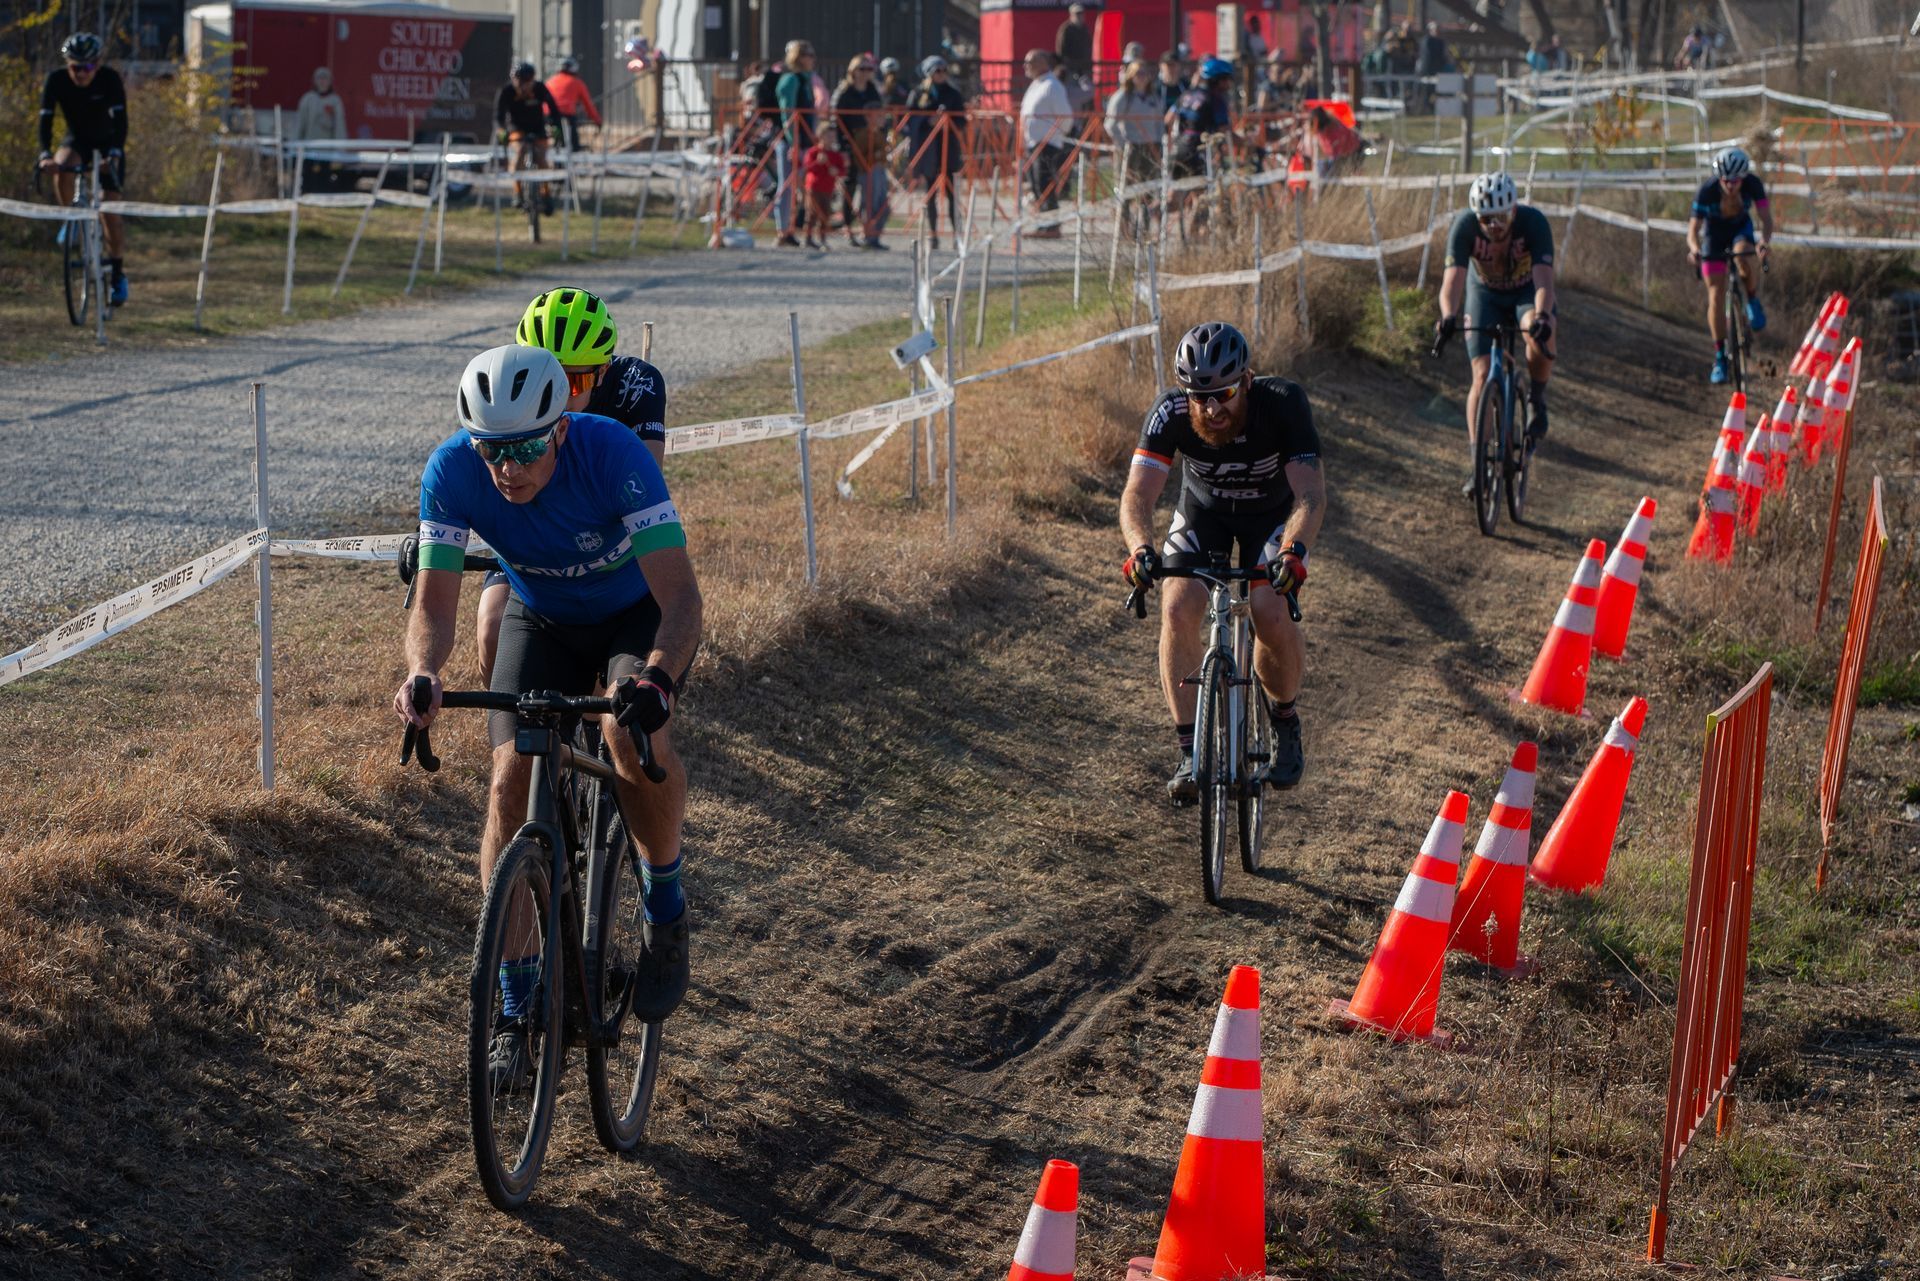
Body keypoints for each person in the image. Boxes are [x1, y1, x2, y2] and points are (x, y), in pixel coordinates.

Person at [396, 344, 702, 1088]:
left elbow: (683, 598)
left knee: (629, 733)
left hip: (635, 615)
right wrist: (423, 673)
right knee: (508, 780)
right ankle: (512, 1007)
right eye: (492, 450)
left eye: (527, 447)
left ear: (561, 428)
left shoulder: (615, 454)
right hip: (546, 618)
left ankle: (665, 906)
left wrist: (657, 680)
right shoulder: (451, 470)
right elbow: (434, 603)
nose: (508, 468)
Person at [1119, 322, 1326, 801]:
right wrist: (1139, 548)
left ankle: (1284, 719)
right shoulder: (1170, 411)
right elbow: (1136, 496)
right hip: (1204, 514)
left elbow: (1310, 496)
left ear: (1247, 381)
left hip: (1271, 518)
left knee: (1270, 610)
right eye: (1199, 396)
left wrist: (1294, 553)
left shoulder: (1282, 402)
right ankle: (1191, 752)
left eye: (1224, 394)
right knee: (1176, 609)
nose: (1211, 408)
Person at [467, 287, 671, 692]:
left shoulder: (637, 384)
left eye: (573, 381)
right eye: (546, 375)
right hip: (529, 533)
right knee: (490, 627)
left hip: (601, 538)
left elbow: (648, 479)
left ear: (603, 371)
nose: (557, 393)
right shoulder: (506, 384)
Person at [1434, 172, 1558, 492]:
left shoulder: (1534, 224)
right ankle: (1478, 464)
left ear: (1513, 211)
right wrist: (1448, 315)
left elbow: (1544, 282)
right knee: (1480, 375)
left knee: (1539, 332)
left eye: (1500, 218)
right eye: (1486, 219)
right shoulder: (1464, 227)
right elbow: (1452, 282)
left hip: (1526, 293)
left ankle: (1536, 397)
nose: (1494, 227)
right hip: (1485, 295)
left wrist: (1542, 317)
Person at [38, 32, 129, 305]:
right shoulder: (55, 80)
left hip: (108, 143)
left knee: (109, 211)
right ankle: (71, 219)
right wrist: (44, 156)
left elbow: (122, 123)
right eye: (75, 67)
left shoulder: (110, 79)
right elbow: (45, 121)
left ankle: (117, 274)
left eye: (87, 67)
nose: (81, 73)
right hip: (77, 140)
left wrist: (113, 154)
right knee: (63, 165)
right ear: (67, 64)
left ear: (97, 64)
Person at [1688, 146, 1773, 383]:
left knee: (1743, 257)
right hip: (1713, 236)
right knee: (1715, 294)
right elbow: (1693, 230)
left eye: (1735, 181)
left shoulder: (1753, 184)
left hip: (1740, 230)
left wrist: (1764, 242)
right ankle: (1720, 357)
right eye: (1725, 180)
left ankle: (1752, 299)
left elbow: (1766, 219)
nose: (1730, 185)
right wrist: (1695, 250)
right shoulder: (1706, 191)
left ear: (1743, 178)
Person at [904, 55, 966, 249]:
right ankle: (933, 234)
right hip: (928, 150)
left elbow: (962, 120)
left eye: (944, 70)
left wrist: (948, 124)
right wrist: (927, 122)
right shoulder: (918, 93)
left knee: (951, 195)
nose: (942, 74)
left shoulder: (953, 94)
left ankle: (957, 235)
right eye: (938, 71)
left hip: (949, 149)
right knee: (930, 194)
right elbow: (908, 119)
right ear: (929, 73)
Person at [833, 54, 888, 249]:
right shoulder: (844, 93)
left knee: (872, 191)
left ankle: (870, 232)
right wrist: (843, 149)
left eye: (869, 69)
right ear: (853, 71)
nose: (866, 73)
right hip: (851, 144)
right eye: (862, 69)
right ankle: (848, 228)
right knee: (850, 187)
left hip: (870, 145)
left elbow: (882, 116)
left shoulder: (873, 91)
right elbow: (837, 123)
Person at [495, 60, 561, 214]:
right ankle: (517, 192)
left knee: (542, 158)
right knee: (519, 152)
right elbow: (497, 116)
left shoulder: (540, 88)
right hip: (516, 127)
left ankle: (546, 194)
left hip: (537, 127)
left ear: (532, 80)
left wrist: (555, 126)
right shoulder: (507, 91)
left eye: (527, 82)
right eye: (519, 82)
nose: (523, 86)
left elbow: (554, 110)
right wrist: (501, 131)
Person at [1019, 49, 1074, 231]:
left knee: (1045, 185)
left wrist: (1056, 135)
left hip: (1047, 144)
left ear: (1043, 63)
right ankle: (1043, 224)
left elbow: (1065, 116)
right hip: (1033, 143)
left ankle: (1051, 226)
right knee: (1036, 186)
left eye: (1030, 62)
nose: (1026, 66)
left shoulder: (1052, 86)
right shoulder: (1036, 84)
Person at [774, 40, 819, 247]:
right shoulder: (790, 80)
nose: (812, 59)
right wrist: (794, 141)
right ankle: (783, 230)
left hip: (806, 141)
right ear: (798, 57)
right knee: (787, 186)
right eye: (807, 55)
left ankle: (802, 228)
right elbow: (788, 114)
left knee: (805, 185)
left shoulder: (806, 80)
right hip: (791, 142)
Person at [1167, 56, 1235, 180]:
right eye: (1228, 79)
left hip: (1179, 147)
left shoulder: (1187, 94)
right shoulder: (1216, 100)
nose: (1229, 84)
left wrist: (1173, 140)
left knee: (1173, 194)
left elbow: (1168, 119)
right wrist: (1245, 141)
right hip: (1199, 150)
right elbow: (1225, 131)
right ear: (1219, 80)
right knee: (1201, 193)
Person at [294, 66, 346, 192]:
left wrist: (340, 148)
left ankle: (322, 197)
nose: (322, 81)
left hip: (326, 148)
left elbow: (339, 124)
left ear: (330, 81)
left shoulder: (335, 101)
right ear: (315, 81)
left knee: (324, 176)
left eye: (325, 78)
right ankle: (306, 195)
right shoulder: (308, 99)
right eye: (319, 78)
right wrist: (295, 143)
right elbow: (300, 123)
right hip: (309, 147)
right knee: (307, 175)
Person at [801, 122, 850, 248]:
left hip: (828, 189)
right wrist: (817, 162)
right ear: (820, 136)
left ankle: (822, 238)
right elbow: (807, 167)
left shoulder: (835, 155)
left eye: (833, 137)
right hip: (813, 187)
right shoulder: (814, 152)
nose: (831, 139)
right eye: (828, 136)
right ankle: (807, 238)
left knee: (825, 213)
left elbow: (842, 170)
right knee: (811, 213)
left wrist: (837, 171)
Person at [545, 55, 602, 152]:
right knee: (573, 143)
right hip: (567, 116)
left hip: (548, 115)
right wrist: (597, 120)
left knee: (554, 137)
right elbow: (588, 104)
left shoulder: (550, 81)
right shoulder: (577, 83)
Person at [1306, 104, 1363, 181]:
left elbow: (1336, 151)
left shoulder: (1334, 129)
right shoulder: (1322, 131)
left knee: (1328, 175)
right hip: (1337, 156)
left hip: (1349, 154)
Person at [1055, 2, 1094, 97]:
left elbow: (1089, 47)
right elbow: (1060, 50)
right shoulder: (1066, 29)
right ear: (1071, 15)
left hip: (1084, 69)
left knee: (1087, 94)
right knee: (1070, 94)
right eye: (1077, 14)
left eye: (1081, 13)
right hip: (1070, 69)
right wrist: (1063, 66)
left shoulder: (1085, 29)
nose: (1079, 16)